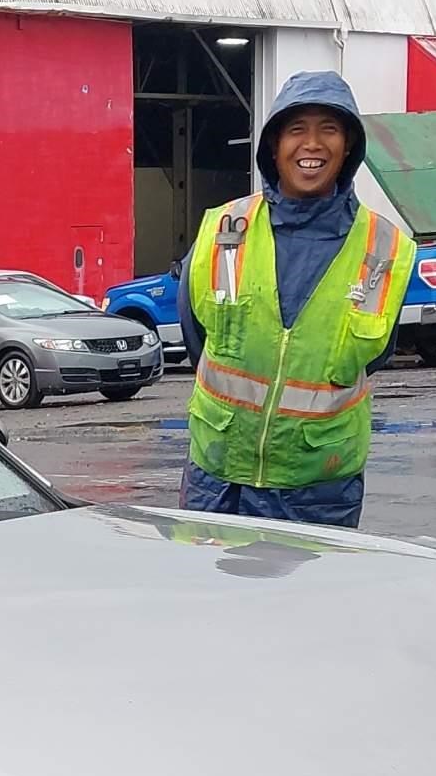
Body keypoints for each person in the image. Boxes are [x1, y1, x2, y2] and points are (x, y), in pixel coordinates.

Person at [176, 71, 417, 529]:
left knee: (308, 603)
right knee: (208, 599)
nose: (312, 144)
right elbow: (196, 338)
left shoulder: (383, 250)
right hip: (218, 479)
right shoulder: (226, 231)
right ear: (273, 146)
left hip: (319, 491)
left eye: (329, 129)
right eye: (296, 130)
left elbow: (377, 354)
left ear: (349, 147)